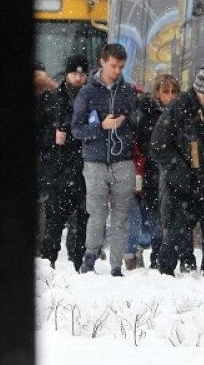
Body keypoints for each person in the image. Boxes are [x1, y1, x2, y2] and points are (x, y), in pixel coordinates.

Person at [151, 69, 204, 277]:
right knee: (176, 233)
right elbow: (158, 144)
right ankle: (165, 272)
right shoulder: (179, 107)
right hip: (184, 186)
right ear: (196, 90)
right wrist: (180, 172)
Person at [71, 43, 138, 276]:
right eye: (113, 66)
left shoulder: (128, 91)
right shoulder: (87, 92)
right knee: (97, 213)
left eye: (121, 66)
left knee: (122, 215)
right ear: (102, 62)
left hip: (122, 159)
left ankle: (116, 264)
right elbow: (76, 129)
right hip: (95, 161)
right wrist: (101, 127)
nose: (117, 71)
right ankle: (90, 256)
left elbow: (137, 124)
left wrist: (128, 123)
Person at [37, 54, 91, 271]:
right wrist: (52, 136)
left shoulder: (91, 99)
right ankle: (48, 262)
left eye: (82, 74)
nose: (78, 78)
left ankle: (79, 262)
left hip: (83, 169)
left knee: (83, 220)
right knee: (54, 221)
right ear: (67, 74)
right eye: (74, 74)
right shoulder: (49, 99)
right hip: (56, 170)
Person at [125, 73, 179, 270]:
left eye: (173, 92)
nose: (170, 96)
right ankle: (148, 252)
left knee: (167, 218)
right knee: (153, 218)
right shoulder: (147, 114)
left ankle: (159, 256)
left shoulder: (181, 112)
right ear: (157, 93)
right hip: (152, 172)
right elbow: (145, 144)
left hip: (173, 171)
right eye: (166, 92)